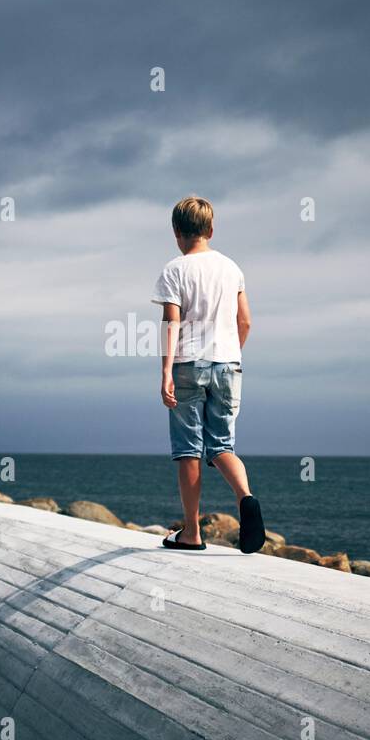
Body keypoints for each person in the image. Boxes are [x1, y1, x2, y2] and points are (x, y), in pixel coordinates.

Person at [152, 196, 264, 553]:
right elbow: (244, 321)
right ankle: (245, 497)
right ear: (211, 230)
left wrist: (166, 372)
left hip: (188, 364)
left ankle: (191, 533)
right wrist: (231, 353)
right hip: (228, 364)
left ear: (176, 233)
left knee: (189, 451)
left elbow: (172, 321)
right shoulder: (232, 269)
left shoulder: (174, 270)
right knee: (221, 446)